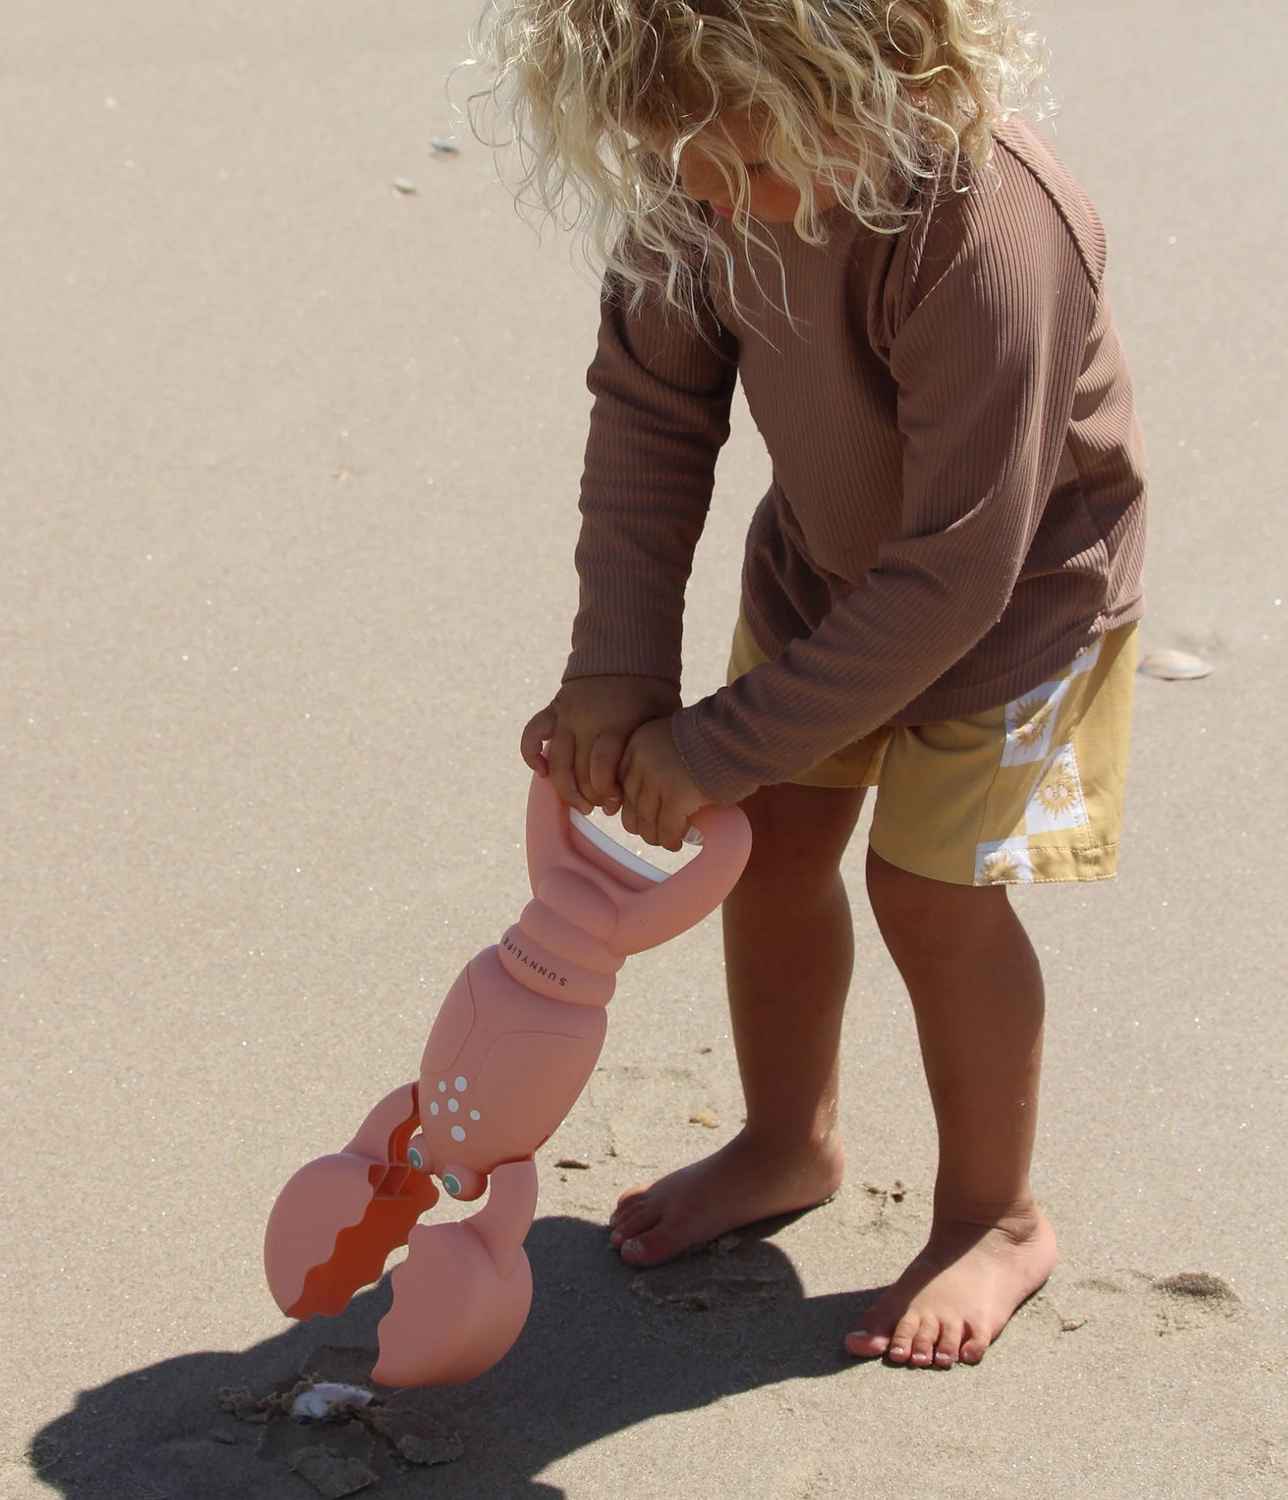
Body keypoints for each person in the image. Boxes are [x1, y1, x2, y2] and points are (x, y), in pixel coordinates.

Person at [484, 0, 1147, 1369]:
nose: (715, 195)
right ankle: (790, 1141)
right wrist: (616, 666)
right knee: (771, 846)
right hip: (825, 571)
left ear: (889, 75)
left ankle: (994, 1214)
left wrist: (724, 737)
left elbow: (962, 569)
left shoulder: (988, 231)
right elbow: (655, 415)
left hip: (1022, 602)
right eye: (683, 162)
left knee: (931, 892)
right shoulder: (706, 176)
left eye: (746, 164)